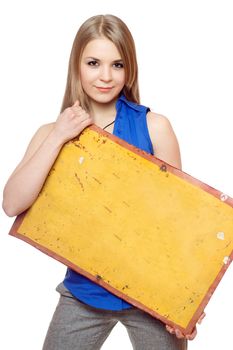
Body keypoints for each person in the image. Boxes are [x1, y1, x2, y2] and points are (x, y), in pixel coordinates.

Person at [2, 14, 204, 350]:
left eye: (117, 64)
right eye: (94, 63)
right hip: (84, 291)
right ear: (77, 65)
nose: (106, 76)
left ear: (130, 69)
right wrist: (59, 136)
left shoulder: (155, 127)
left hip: (150, 295)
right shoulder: (50, 134)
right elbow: (11, 203)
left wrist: (187, 305)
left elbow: (176, 226)